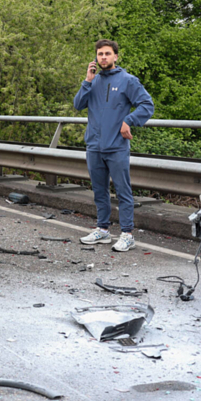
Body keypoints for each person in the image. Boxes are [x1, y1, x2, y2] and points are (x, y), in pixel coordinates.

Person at [73, 39, 153, 251]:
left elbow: (147, 105)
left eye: (107, 54)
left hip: (117, 146)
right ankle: (103, 230)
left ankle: (127, 234)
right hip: (94, 146)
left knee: (122, 191)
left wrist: (129, 120)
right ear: (96, 57)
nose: (104, 58)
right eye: (100, 54)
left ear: (116, 56)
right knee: (99, 191)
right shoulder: (93, 81)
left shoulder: (128, 80)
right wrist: (87, 81)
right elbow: (78, 104)